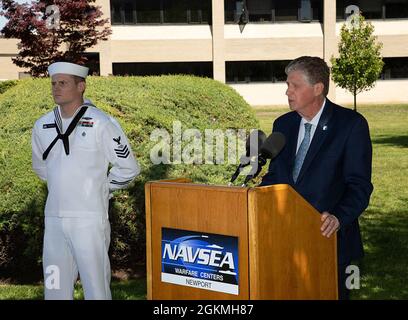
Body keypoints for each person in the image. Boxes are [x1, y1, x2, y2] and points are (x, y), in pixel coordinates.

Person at [260, 56, 373, 300]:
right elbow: (275, 177)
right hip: (284, 240)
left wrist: (338, 217)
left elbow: (359, 186)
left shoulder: (350, 125)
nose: (287, 91)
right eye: (287, 85)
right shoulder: (283, 124)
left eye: (295, 86)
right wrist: (255, 197)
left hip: (330, 241)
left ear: (318, 88)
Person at [31, 61, 140, 300]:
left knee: (96, 290)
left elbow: (128, 167)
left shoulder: (102, 123)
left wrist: (102, 189)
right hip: (55, 220)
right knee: (55, 289)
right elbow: (40, 166)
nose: (56, 88)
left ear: (81, 86)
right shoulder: (42, 125)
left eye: (63, 83)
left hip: (89, 220)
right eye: (53, 83)